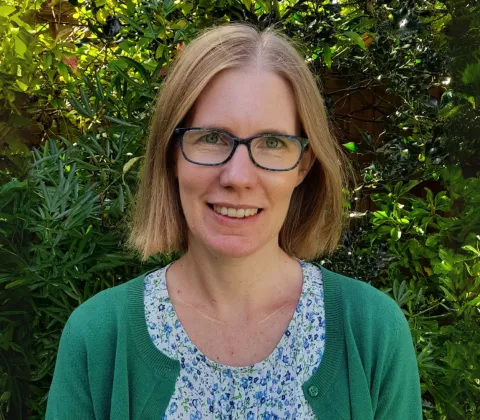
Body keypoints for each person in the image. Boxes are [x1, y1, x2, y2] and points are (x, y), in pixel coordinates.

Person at [45, 22, 422, 419]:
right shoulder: (99, 337)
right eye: (212, 138)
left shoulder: (372, 331)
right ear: (173, 153)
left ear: (303, 166)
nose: (238, 177)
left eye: (273, 143)